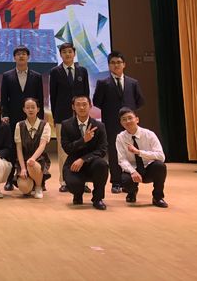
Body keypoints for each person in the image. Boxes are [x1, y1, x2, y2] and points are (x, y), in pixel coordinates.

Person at [94, 51, 145, 193]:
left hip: (130, 125)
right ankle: (116, 182)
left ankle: (130, 181)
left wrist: (129, 114)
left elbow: (140, 101)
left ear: (124, 64)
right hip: (111, 123)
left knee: (131, 151)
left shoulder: (133, 83)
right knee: (114, 152)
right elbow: (97, 101)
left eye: (118, 62)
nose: (116, 65)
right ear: (109, 65)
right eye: (112, 63)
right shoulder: (103, 83)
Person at [0, 45, 44, 190]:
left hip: (32, 118)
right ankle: (9, 179)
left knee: (34, 146)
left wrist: (40, 119)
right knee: (13, 147)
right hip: (13, 118)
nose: (21, 56)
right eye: (18, 54)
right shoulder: (7, 76)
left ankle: (39, 180)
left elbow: (40, 99)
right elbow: (4, 98)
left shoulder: (37, 76)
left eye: (24, 54)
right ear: (14, 57)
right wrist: (5, 115)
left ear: (28, 57)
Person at [49, 42, 90, 192]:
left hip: (81, 116)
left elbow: (86, 94)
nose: (67, 54)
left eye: (70, 51)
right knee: (62, 150)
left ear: (74, 53)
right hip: (62, 116)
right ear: (60, 55)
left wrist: (86, 113)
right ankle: (64, 181)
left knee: (83, 148)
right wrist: (55, 117)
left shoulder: (82, 71)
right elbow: (53, 96)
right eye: (64, 52)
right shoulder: (55, 72)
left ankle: (84, 182)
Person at [60, 94, 108, 210]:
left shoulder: (99, 126)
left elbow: (102, 150)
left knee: (102, 164)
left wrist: (83, 159)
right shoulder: (66, 125)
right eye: (78, 105)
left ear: (90, 106)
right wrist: (83, 140)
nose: (81, 107)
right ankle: (77, 194)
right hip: (73, 163)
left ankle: (97, 199)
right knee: (74, 185)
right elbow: (67, 148)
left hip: (93, 163)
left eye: (84, 104)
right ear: (73, 107)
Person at [116, 108, 168, 208]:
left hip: (148, 167)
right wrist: (132, 171)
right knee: (125, 181)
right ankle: (132, 192)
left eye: (130, 118)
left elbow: (161, 156)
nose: (128, 121)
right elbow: (122, 159)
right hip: (133, 170)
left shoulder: (149, 134)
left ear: (137, 119)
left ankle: (157, 197)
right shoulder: (120, 137)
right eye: (124, 119)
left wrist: (139, 152)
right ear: (121, 123)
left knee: (160, 166)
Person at [14, 97, 51, 199]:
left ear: (38, 109)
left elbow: (42, 145)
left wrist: (33, 159)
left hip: (39, 160)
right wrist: (22, 168)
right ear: (24, 109)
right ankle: (32, 184)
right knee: (25, 188)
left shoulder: (45, 125)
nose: (30, 110)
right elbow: (19, 149)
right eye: (27, 107)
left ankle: (38, 186)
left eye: (33, 107)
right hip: (24, 160)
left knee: (32, 165)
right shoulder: (19, 125)